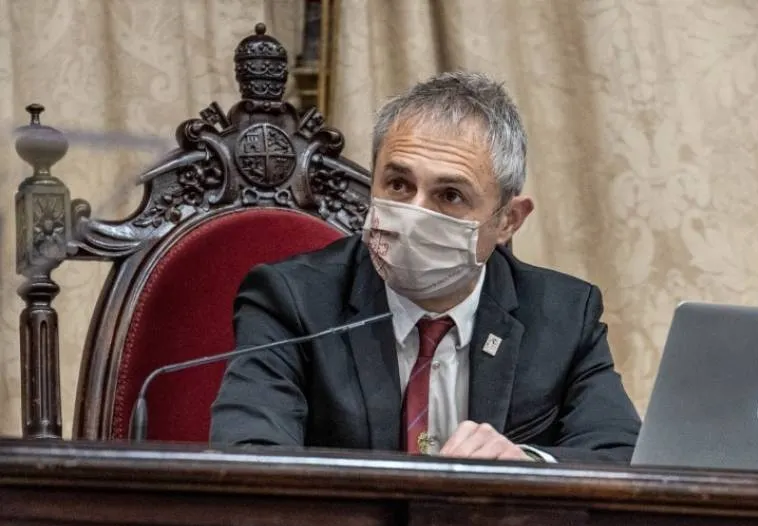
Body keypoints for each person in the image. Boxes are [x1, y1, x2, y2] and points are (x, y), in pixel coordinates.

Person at [210, 71, 641, 463]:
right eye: (398, 185)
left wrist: (527, 467)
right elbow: (249, 460)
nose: (414, 213)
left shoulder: (564, 316)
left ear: (507, 220)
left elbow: (621, 459)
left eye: (449, 195)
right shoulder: (291, 300)